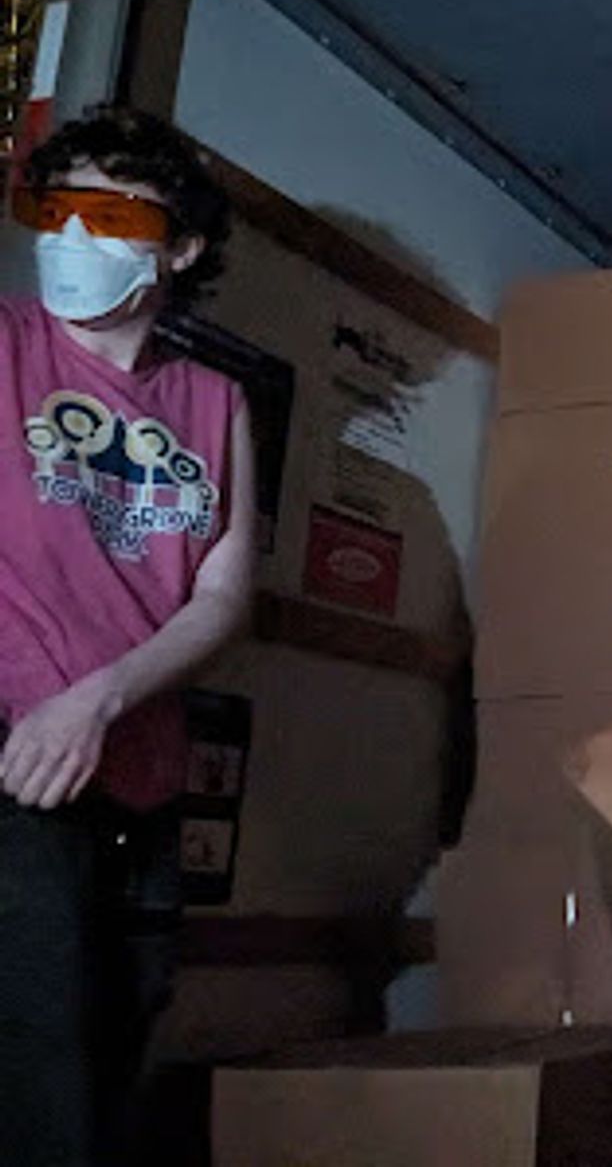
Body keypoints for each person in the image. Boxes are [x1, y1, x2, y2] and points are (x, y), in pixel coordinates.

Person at [1, 107, 255, 1165]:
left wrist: (100, 697)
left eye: (110, 215)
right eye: (58, 211)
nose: (74, 237)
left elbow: (221, 595)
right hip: (19, 764)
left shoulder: (214, 401)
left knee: (110, 1063)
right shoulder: (8, 348)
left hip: (136, 773)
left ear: (179, 246)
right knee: (38, 1077)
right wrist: (48, 700)